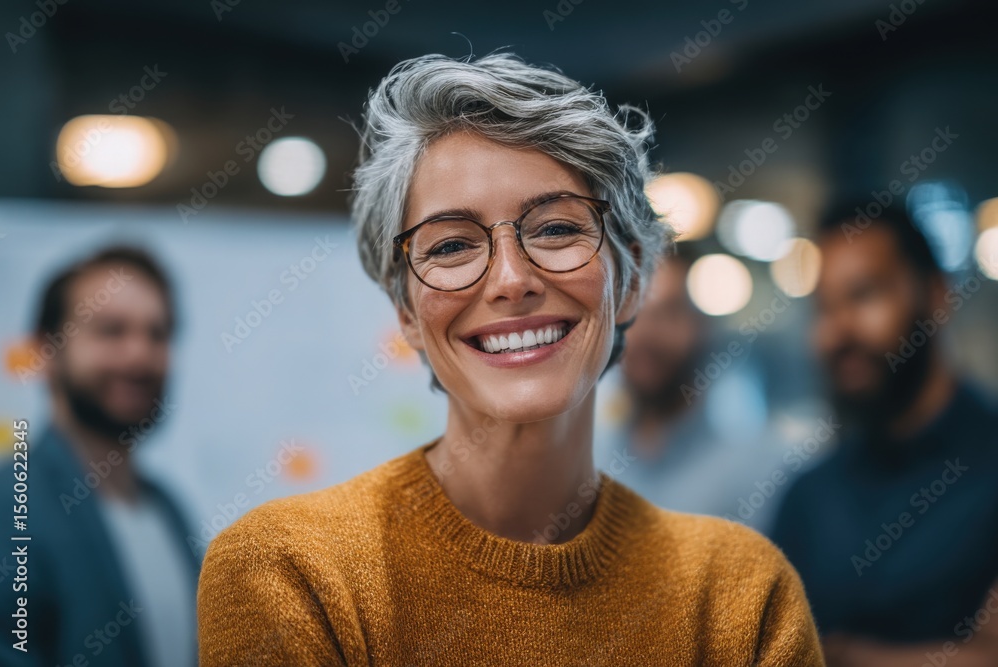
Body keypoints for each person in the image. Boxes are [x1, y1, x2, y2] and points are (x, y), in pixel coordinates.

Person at [197, 52, 825, 666]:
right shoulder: (291, 571)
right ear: (408, 316)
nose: (510, 280)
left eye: (556, 229)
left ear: (631, 282)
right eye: (450, 244)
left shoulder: (737, 592)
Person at [770, 204, 998, 665]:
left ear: (936, 295)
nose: (839, 330)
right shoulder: (809, 496)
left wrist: (842, 656)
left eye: (865, 295)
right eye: (824, 307)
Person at [0, 246, 200, 667]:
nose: (139, 355)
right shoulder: (9, 502)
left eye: (157, 334)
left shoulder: (169, 510)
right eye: (111, 330)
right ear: (45, 350)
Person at [594, 245, 792, 535]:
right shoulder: (591, 463)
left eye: (669, 313)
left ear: (702, 326)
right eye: (634, 314)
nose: (647, 333)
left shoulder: (758, 470)